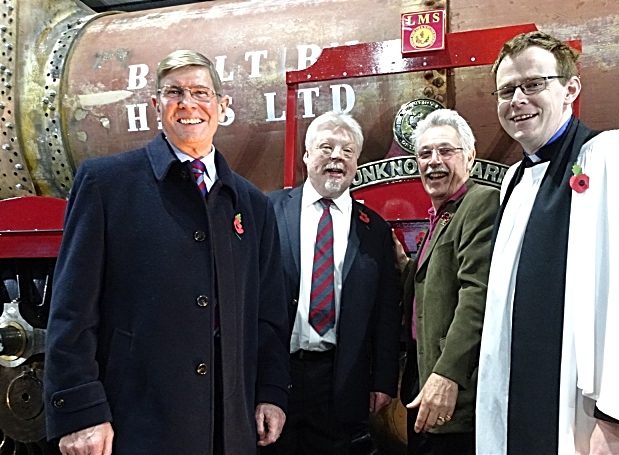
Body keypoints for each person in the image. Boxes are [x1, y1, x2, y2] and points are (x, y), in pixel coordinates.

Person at [43, 50, 290, 455]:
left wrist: (271, 391)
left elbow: (268, 316)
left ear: (222, 106)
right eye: (174, 93)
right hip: (134, 421)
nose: (188, 104)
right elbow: (71, 310)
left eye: (200, 93)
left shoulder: (251, 202)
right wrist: (81, 411)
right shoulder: (106, 184)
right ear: (157, 106)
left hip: (228, 426)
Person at [477, 31, 619, 454]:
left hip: (587, 420)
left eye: (533, 84)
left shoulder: (615, 156)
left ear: (570, 89)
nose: (518, 99)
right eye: (506, 90)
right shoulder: (514, 181)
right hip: (517, 411)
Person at [264, 112, 401, 455]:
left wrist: (383, 380)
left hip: (342, 379)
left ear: (356, 161)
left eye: (347, 150)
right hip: (277, 375)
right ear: (307, 156)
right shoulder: (268, 211)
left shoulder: (375, 230)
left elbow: (386, 310)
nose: (337, 156)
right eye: (326, 147)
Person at [393, 109, 500, 455]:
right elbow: (435, 286)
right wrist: (405, 267)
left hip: (453, 392)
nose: (433, 162)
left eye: (445, 151)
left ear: (469, 155)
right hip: (421, 385)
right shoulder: (442, 216)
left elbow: (478, 294)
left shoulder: (479, 203)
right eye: (425, 154)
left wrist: (448, 375)